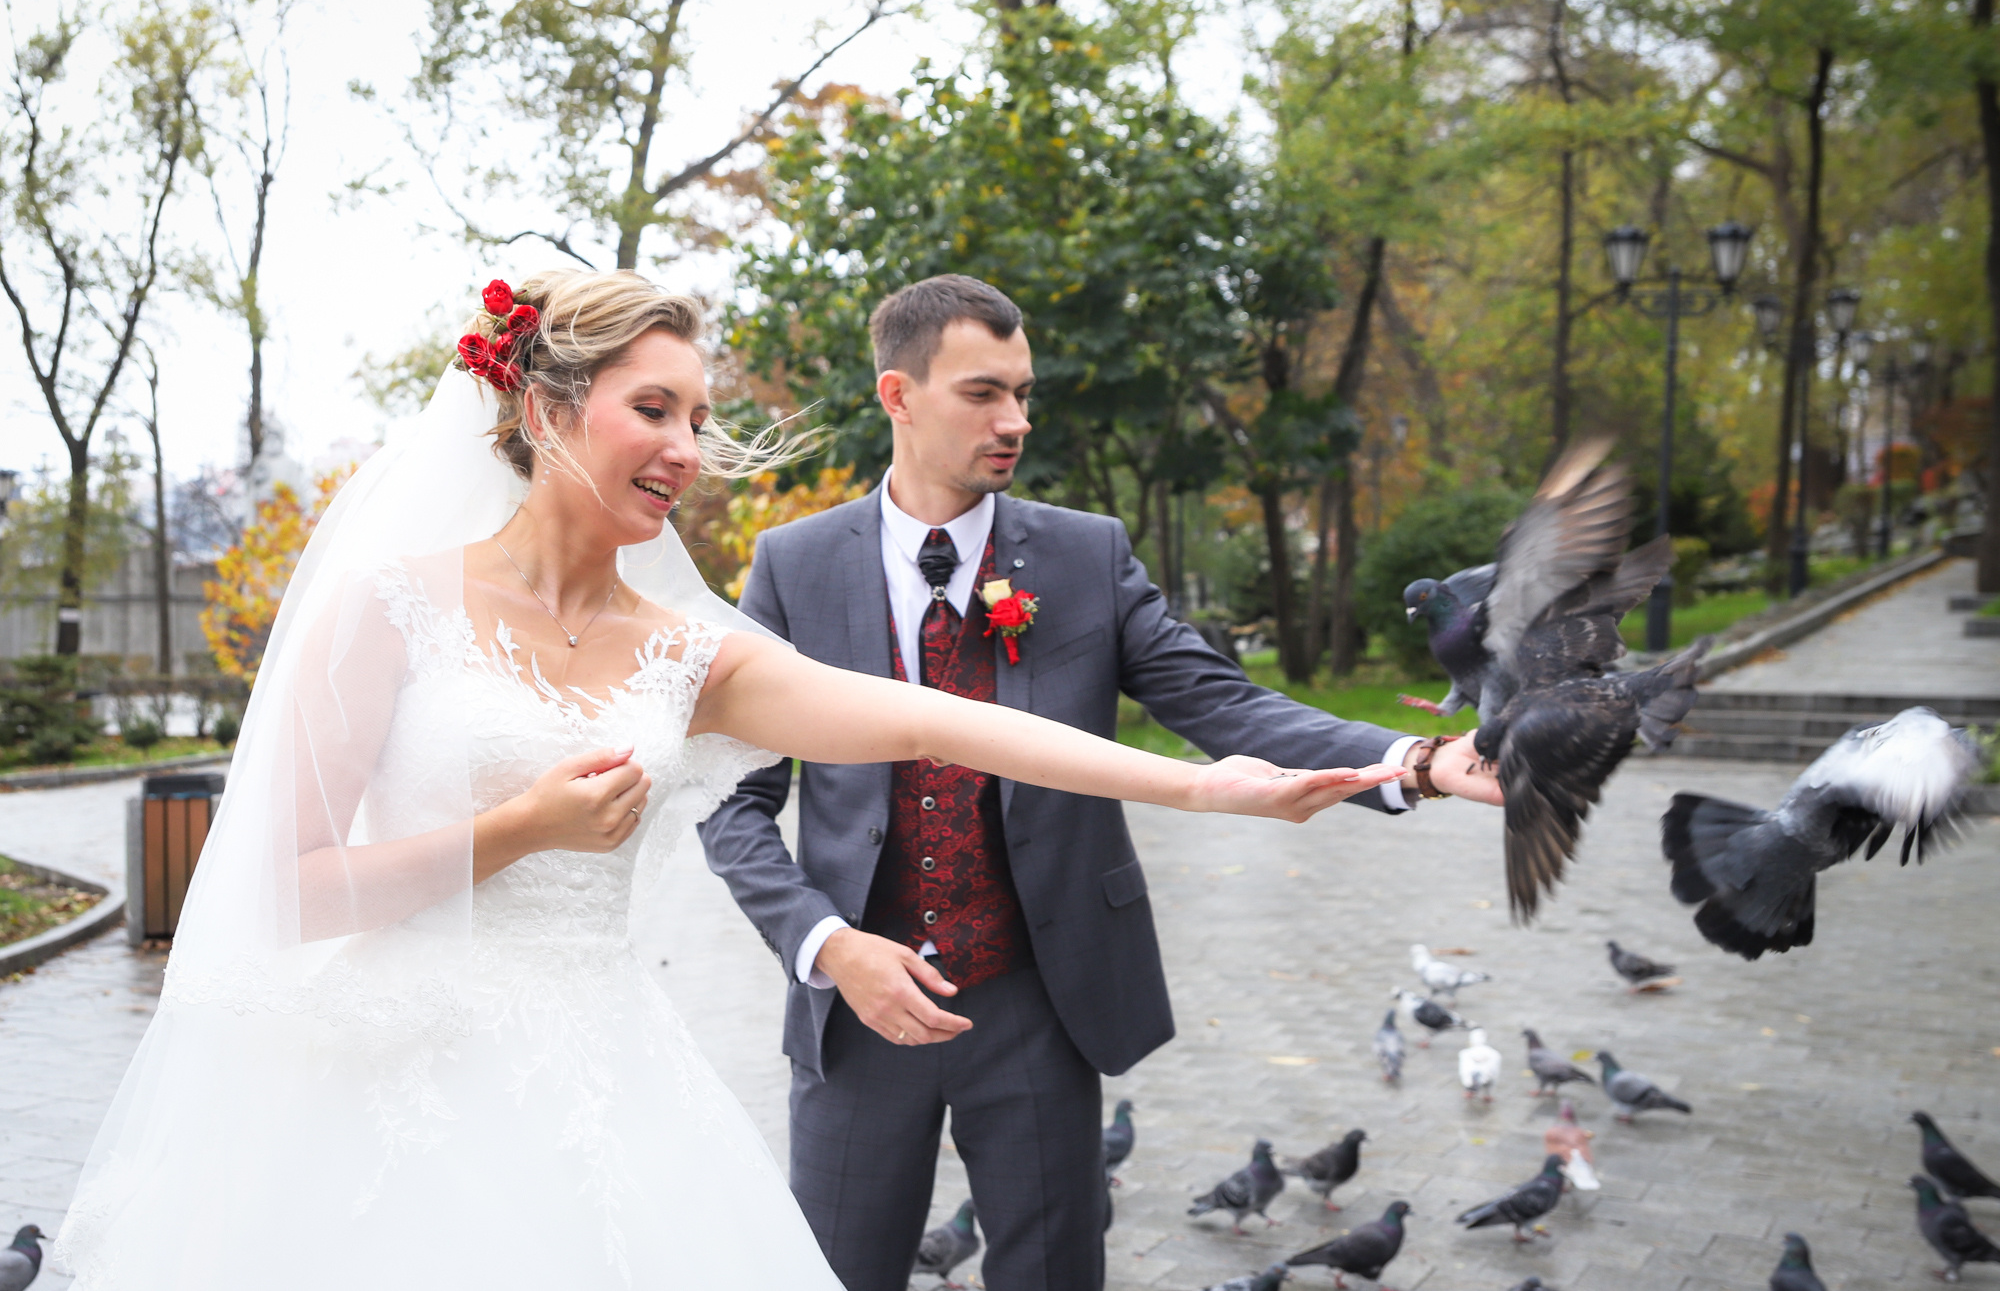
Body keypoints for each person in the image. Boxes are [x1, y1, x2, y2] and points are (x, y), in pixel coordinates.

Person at [50, 270, 1405, 1290]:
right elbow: (289, 890)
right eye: (655, 410)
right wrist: (518, 828)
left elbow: (937, 720)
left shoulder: (690, 652)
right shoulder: (389, 610)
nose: (689, 451)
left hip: (610, 1094)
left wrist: (1206, 791)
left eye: (697, 416)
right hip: (387, 1097)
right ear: (544, 405)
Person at [700, 274, 1501, 1291]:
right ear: (896, 395)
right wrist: (825, 945)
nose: (1015, 419)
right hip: (856, 1013)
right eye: (983, 392)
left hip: (1044, 998)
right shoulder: (792, 565)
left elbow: (1222, 703)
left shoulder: (1083, 556)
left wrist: (1414, 761)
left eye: (1023, 392)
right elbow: (731, 799)